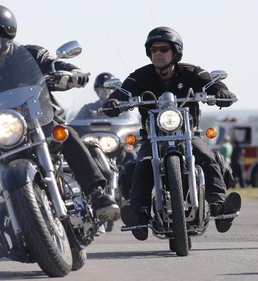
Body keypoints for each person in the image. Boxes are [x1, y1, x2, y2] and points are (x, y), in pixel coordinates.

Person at [0, 4, 120, 260]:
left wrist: (71, 73)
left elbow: (54, 64)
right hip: (2, 133)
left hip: (39, 122)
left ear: (6, 34)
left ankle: (96, 194)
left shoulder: (30, 55)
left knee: (65, 133)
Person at [103, 26, 241, 241]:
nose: (157, 53)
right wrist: (114, 101)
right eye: (153, 49)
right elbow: (124, 91)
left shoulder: (191, 72)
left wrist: (221, 92)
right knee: (143, 163)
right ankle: (139, 214)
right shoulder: (140, 76)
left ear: (175, 51)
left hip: (188, 133)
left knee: (206, 156)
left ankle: (219, 207)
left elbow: (212, 83)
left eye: (163, 49)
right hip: (153, 137)